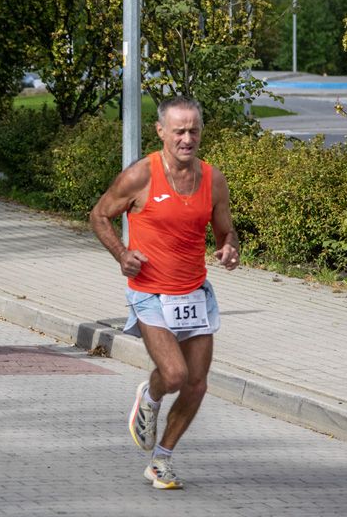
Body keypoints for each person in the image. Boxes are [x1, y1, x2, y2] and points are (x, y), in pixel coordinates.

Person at [89, 96, 240, 490]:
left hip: (194, 294)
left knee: (197, 383)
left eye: (194, 131)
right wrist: (122, 255)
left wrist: (228, 246)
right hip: (150, 294)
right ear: (161, 132)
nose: (187, 139)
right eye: (179, 132)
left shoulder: (213, 178)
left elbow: (225, 228)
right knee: (173, 375)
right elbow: (99, 214)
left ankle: (162, 461)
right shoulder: (141, 175)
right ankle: (150, 396)